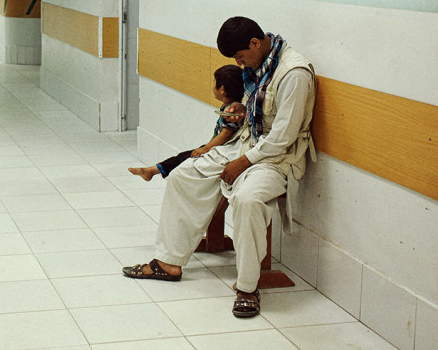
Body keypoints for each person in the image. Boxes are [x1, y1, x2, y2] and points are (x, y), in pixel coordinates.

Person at [122, 17, 316, 320]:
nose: (239, 64)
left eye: (240, 57)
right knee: (185, 174)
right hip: (246, 146)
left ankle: (248, 288)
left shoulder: (294, 73)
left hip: (278, 159)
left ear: (255, 43)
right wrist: (243, 110)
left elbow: (284, 136)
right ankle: (168, 262)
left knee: (248, 200)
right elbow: (261, 111)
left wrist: (243, 163)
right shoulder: (260, 63)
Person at [128, 64, 246, 182]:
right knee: (182, 157)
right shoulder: (228, 107)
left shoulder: (231, 111)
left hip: (222, 152)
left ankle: (151, 171)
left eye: (214, 83)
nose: (212, 87)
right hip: (214, 147)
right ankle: (151, 170)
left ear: (222, 89)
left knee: (183, 159)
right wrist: (207, 145)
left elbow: (225, 134)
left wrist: (206, 149)